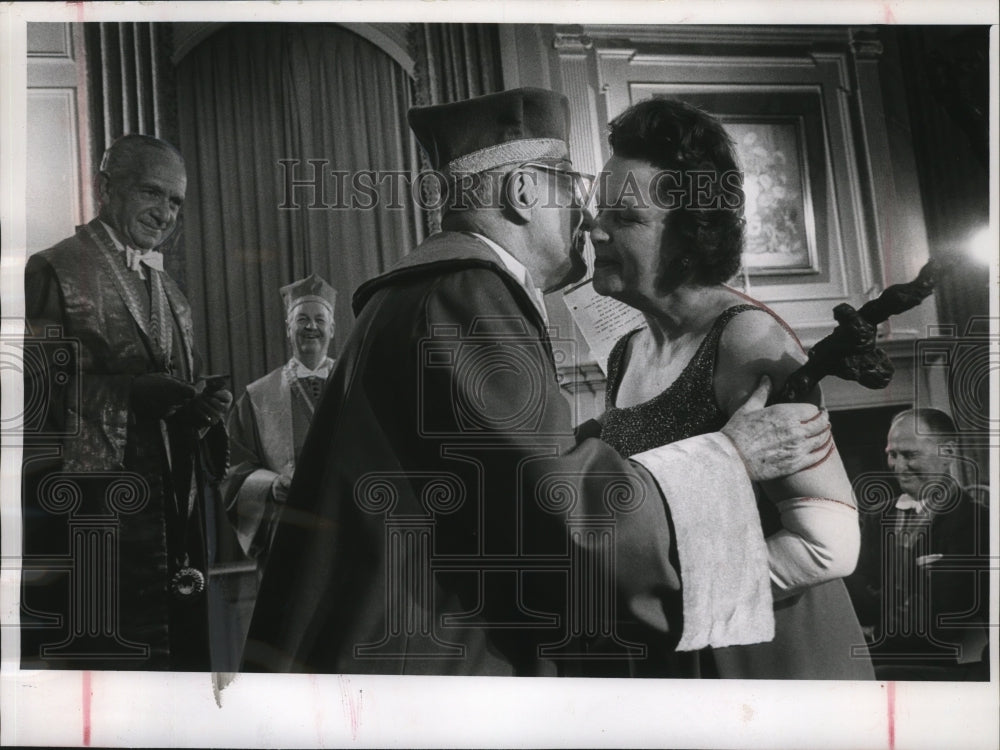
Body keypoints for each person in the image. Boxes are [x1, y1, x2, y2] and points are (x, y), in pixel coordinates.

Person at [242, 88, 835, 676]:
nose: (588, 221)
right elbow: (561, 516)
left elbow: (507, 480)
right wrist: (727, 458)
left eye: (622, 213)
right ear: (522, 192)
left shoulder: (448, 288)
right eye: (574, 188)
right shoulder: (466, 294)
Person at [588, 98, 874, 679]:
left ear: (689, 237)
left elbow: (830, 544)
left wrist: (676, 601)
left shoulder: (747, 340)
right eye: (599, 211)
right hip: (689, 656)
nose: (595, 230)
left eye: (625, 217)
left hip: (774, 658)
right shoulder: (626, 351)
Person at [21, 134, 232, 671]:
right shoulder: (53, 271)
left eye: (176, 201)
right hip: (93, 522)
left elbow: (179, 389)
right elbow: (26, 401)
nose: (165, 213)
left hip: (168, 516)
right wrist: (129, 397)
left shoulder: (171, 292)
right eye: (151, 193)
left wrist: (200, 410)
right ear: (106, 187)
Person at [222, 273, 338, 568]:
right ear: (288, 328)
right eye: (302, 319)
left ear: (332, 329)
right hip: (287, 528)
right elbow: (233, 468)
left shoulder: (353, 384)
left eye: (320, 319)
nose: (311, 327)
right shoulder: (258, 396)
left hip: (344, 526)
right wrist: (270, 486)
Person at [868, 408, 989, 679]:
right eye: (892, 454)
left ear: (948, 453)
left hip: (956, 667)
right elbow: (861, 596)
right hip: (880, 657)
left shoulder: (982, 523)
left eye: (910, 455)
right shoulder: (875, 518)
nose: (898, 467)